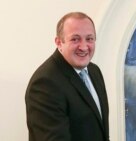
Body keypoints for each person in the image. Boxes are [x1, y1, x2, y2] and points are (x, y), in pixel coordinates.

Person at [25, 12, 109, 141]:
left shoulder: (94, 71)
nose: (83, 46)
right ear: (59, 42)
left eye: (89, 39)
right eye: (75, 39)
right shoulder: (45, 83)